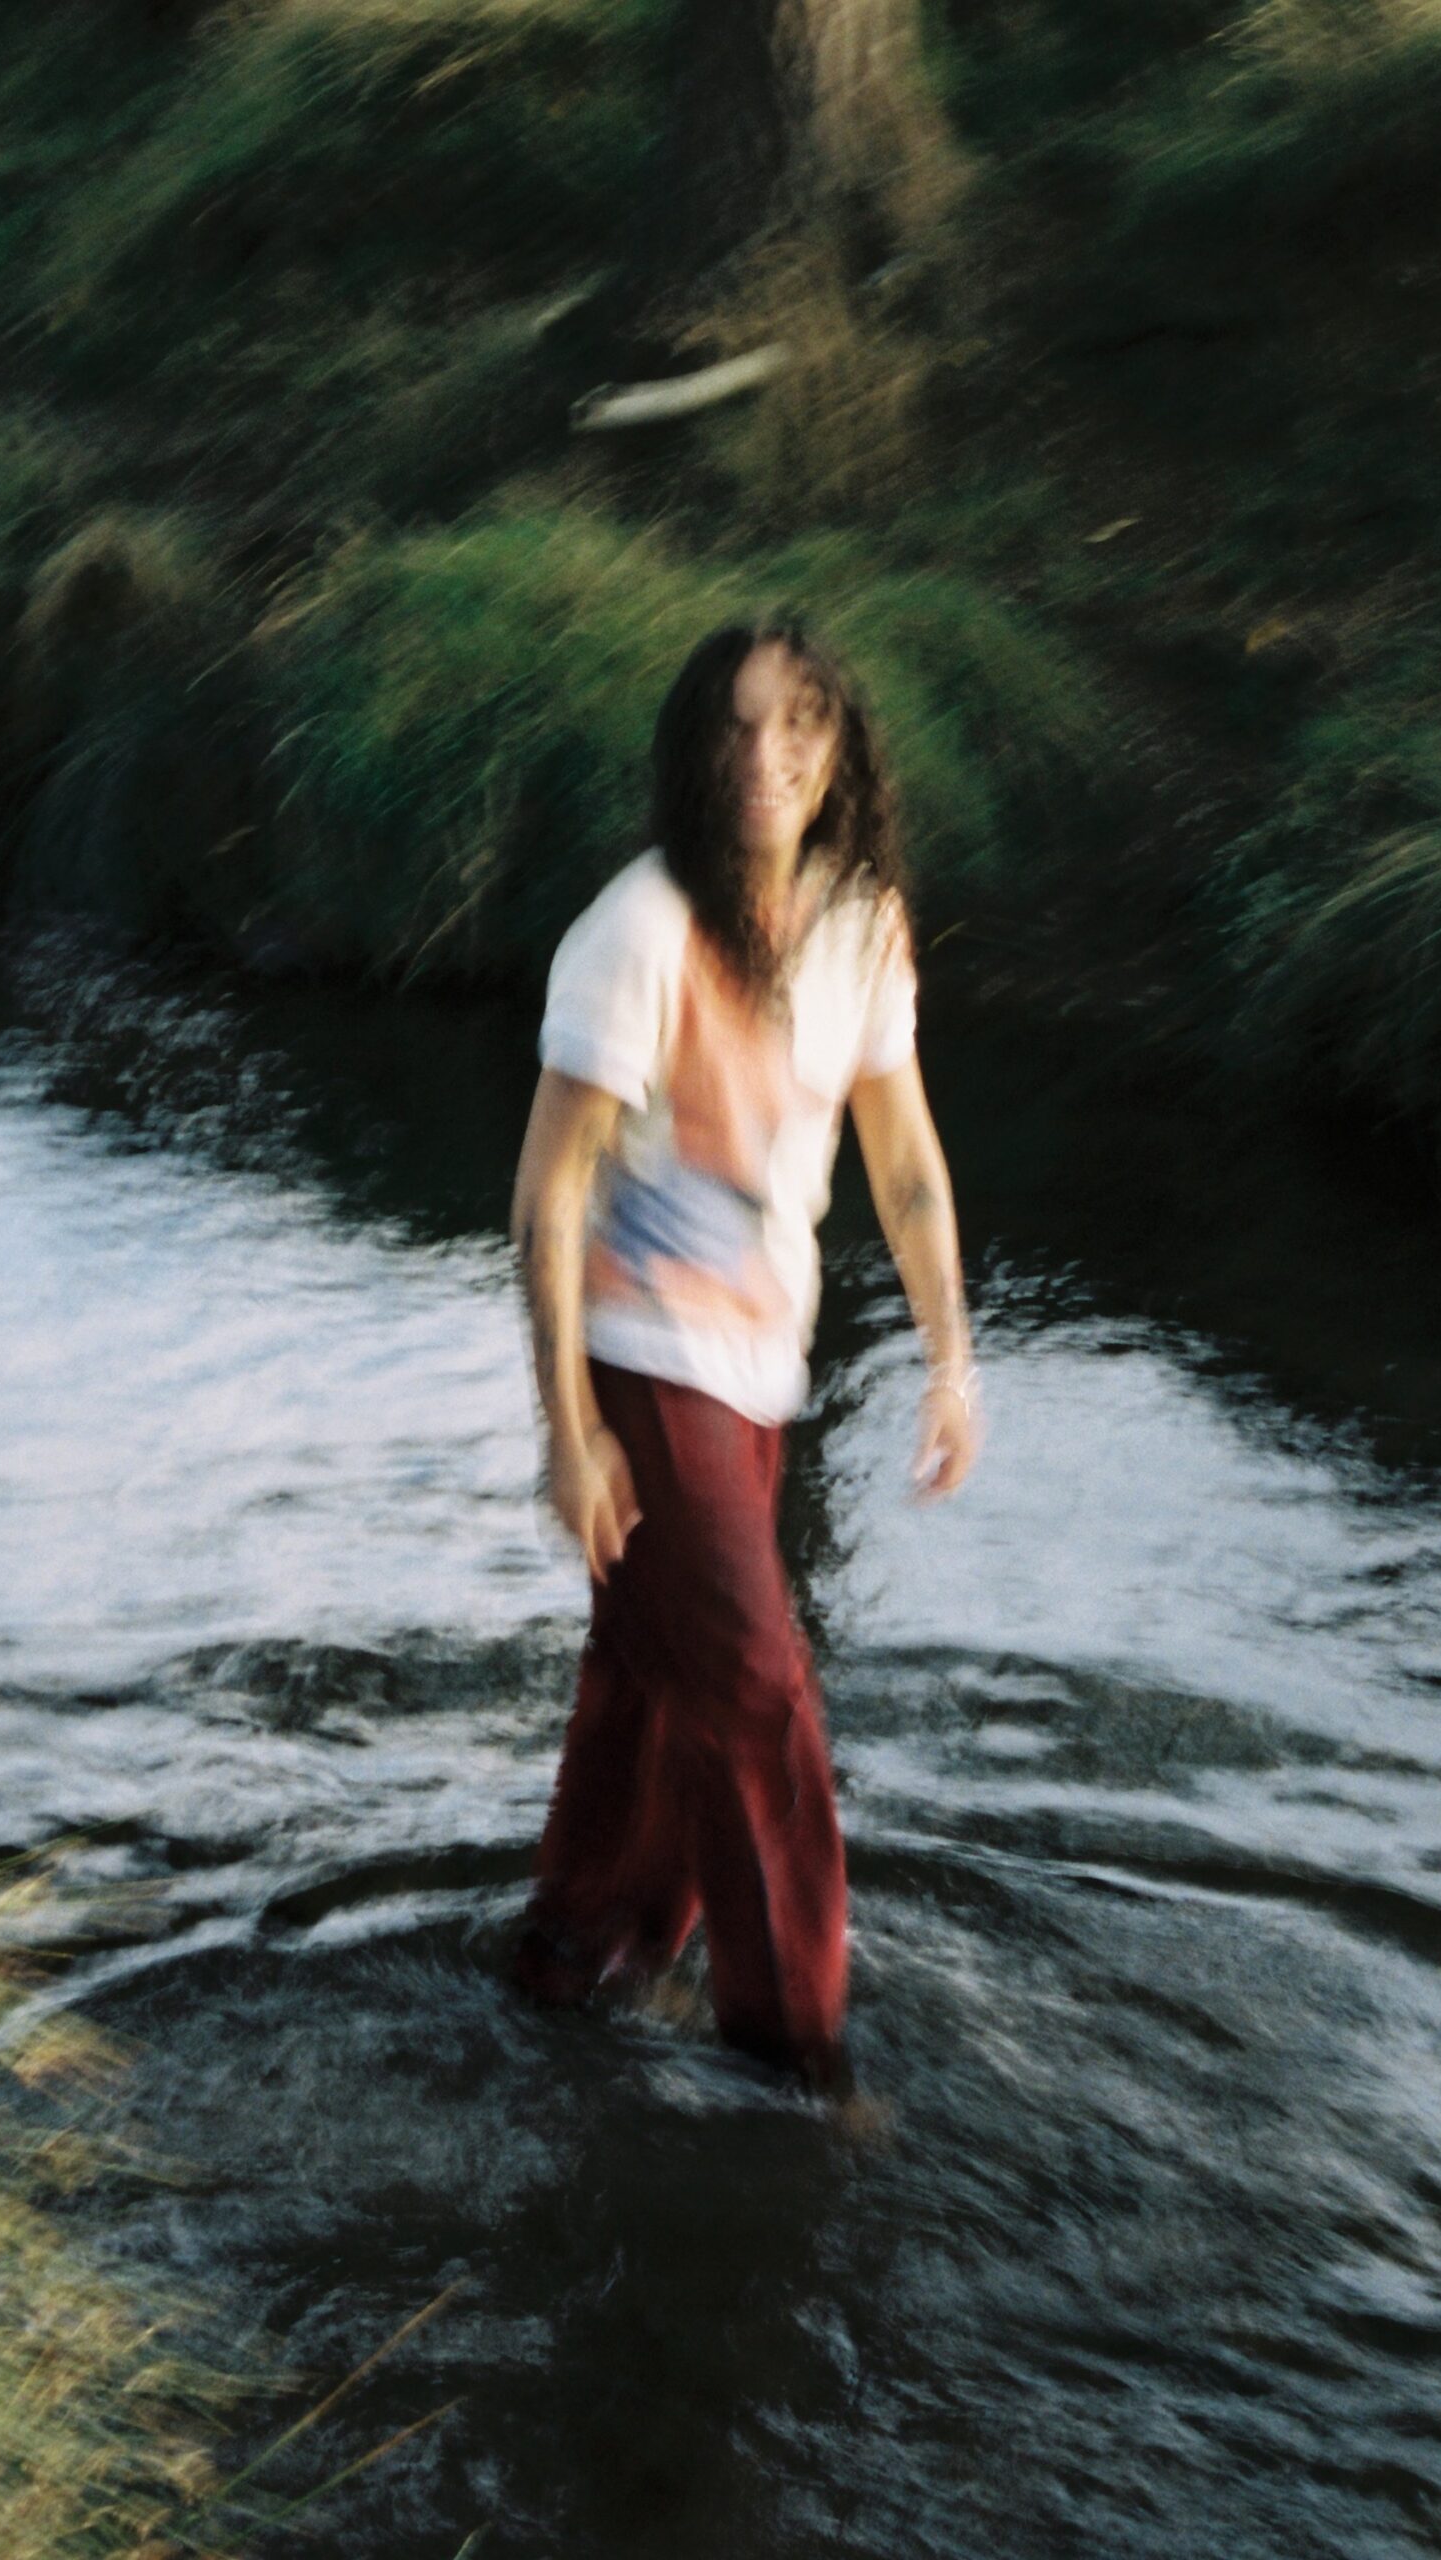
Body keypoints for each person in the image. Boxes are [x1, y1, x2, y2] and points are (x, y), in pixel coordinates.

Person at [507, 614, 980, 2095]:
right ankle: (795, 2055)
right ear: (693, 750)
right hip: (645, 1359)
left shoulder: (860, 925)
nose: (767, 756)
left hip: (761, 1366)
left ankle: (576, 1958)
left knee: (654, 1682)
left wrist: (951, 1359)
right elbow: (549, 1193)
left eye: (800, 725)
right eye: (737, 724)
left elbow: (904, 1161)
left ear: (840, 754)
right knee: (762, 1693)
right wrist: (569, 1426)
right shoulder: (640, 930)